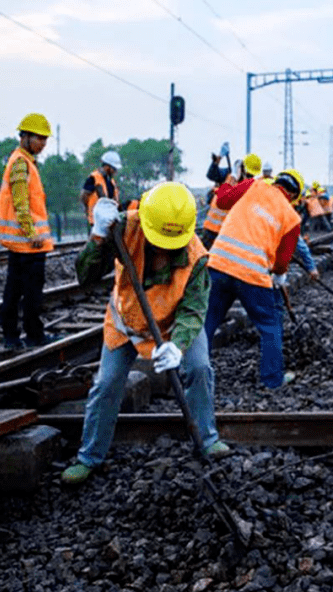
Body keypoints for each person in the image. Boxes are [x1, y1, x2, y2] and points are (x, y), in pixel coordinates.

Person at [61, 183, 228, 485]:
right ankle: (89, 456)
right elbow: (85, 276)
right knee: (108, 383)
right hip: (127, 322)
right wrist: (98, 237)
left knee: (199, 368)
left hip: (174, 325)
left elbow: (193, 311)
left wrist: (177, 345)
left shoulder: (197, 258)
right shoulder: (124, 228)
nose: (164, 247)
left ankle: (207, 439)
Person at [205, 168, 304, 388]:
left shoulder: (253, 185)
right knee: (270, 325)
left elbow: (222, 201)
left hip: (219, 264)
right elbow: (281, 263)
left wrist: (228, 182)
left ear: (276, 181)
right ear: (294, 197)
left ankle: (192, 375)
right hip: (252, 275)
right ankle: (273, 380)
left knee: (207, 321)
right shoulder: (292, 217)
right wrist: (278, 279)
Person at [0, 113, 55, 350]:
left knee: (17, 290)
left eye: (45, 139)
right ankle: (31, 336)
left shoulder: (23, 161)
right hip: (28, 244)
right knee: (28, 294)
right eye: (39, 138)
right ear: (25, 136)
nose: (42, 143)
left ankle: (15, 336)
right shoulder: (21, 163)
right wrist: (32, 234)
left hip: (24, 243)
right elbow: (21, 205)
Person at [200, 153, 260, 249]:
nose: (248, 177)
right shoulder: (228, 175)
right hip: (211, 229)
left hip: (227, 233)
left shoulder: (248, 187)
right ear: (241, 168)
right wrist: (216, 162)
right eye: (248, 174)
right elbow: (211, 175)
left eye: (251, 175)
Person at [81, 150, 122, 226]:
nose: (115, 171)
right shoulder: (93, 178)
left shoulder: (111, 182)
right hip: (97, 221)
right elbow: (84, 196)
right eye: (114, 168)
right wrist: (87, 211)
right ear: (107, 167)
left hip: (109, 220)